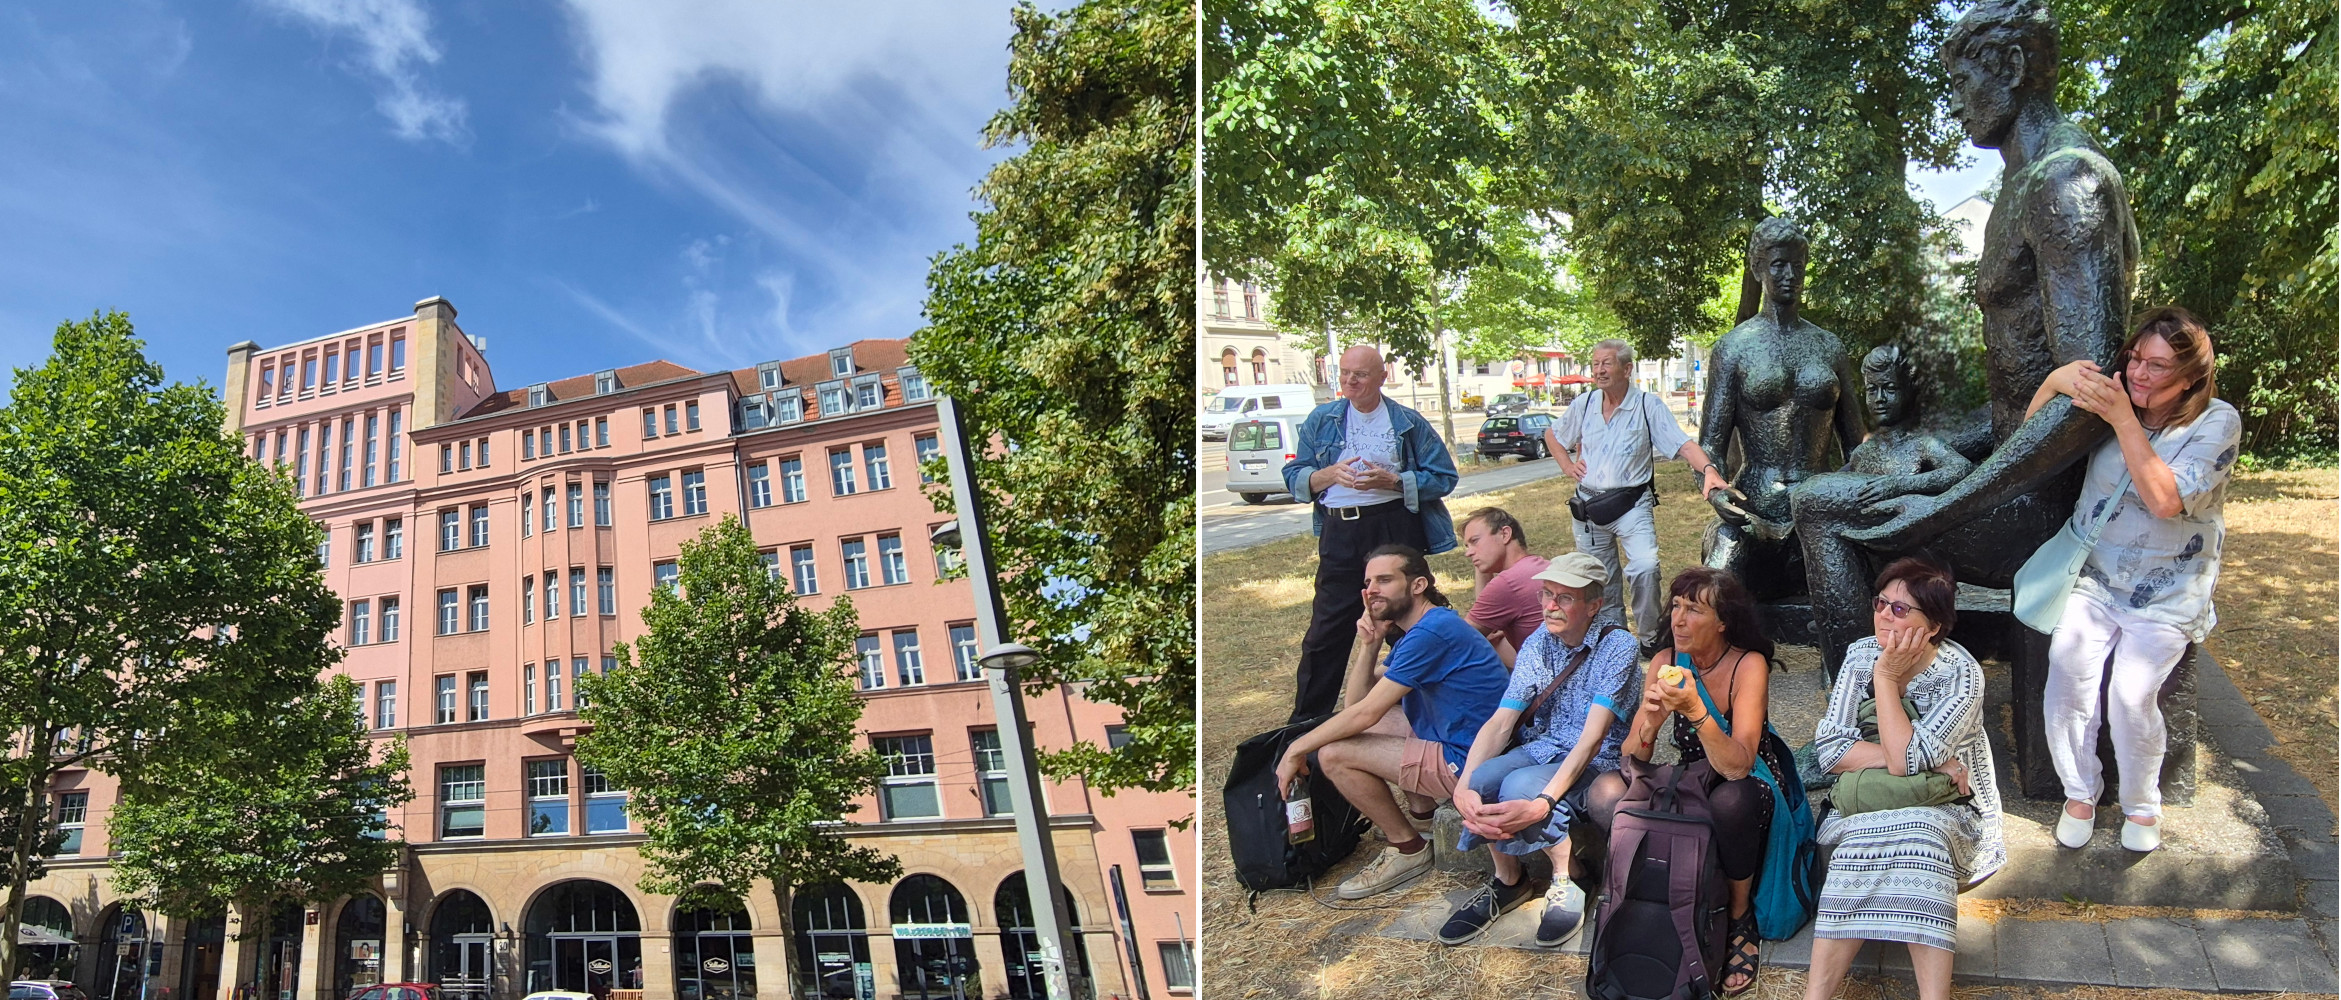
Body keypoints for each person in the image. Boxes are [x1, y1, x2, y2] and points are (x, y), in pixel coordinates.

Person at [2031, 306, 2239, 853]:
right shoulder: (2110, 401)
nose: (2142, 374)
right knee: (2068, 673)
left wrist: (2124, 420)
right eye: (2136, 359)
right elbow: (2030, 448)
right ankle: (2080, 793)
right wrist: (2055, 381)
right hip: (2095, 577)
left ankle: (2141, 803)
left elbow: (2166, 500)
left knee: (2129, 695)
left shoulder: (2215, 421)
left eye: (2160, 366)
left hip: (2170, 588)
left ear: (2192, 375)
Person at [1805, 557, 2003, 1000]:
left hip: (1950, 806)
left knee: (1923, 835)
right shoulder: (1860, 655)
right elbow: (1831, 751)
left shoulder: (1961, 674)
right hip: (1869, 800)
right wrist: (1920, 757)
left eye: (1899, 610)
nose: (1883, 615)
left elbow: (1908, 761)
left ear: (1932, 626)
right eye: (1880, 603)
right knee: (1860, 839)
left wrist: (1887, 679)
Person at [1275, 545, 1508, 899]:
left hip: (1472, 760)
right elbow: (1358, 707)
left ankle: (1408, 848)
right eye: (1368, 582)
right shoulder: (1422, 628)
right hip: (1463, 743)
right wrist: (1370, 644)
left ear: (1417, 585)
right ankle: (1424, 814)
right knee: (1360, 730)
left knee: (1334, 754)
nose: (1372, 591)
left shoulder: (1431, 634)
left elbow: (1362, 712)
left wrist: (1296, 749)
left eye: (1385, 580)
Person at [1587, 566, 1776, 996]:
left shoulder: (1749, 665)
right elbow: (1632, 756)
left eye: (1694, 610)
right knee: (1603, 793)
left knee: (1731, 802)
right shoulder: (1665, 661)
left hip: (1746, 778)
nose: (1678, 619)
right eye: (1676, 606)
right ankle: (1644, 898)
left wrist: (1694, 709)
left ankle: (1739, 915)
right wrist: (1651, 721)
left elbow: (1738, 765)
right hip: (1692, 774)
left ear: (1723, 622)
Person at [1443, 553, 1641, 946]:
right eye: (1546, 594)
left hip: (1597, 761)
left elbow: (1593, 738)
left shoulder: (1618, 646)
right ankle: (1508, 881)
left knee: (1521, 788)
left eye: (1564, 598)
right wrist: (1461, 786)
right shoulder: (1539, 641)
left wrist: (1544, 801)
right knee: (1483, 778)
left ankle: (1569, 879)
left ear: (1593, 605)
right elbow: (1502, 721)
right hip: (1545, 747)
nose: (1550, 606)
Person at [1282, 346, 1461, 723]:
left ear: (1382, 377)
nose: (1350, 381)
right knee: (1325, 632)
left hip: (1392, 526)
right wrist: (1327, 474)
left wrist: (1396, 481)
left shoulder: (1406, 422)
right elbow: (1295, 476)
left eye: (1360, 374)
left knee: (1405, 621)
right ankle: (1305, 726)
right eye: (1344, 373)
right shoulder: (1322, 419)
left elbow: (1444, 477)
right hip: (1340, 530)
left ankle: (1435, 709)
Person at [1697, 218, 1867, 600]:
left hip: (1820, 505)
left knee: (1857, 587)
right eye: (1777, 264)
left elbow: (1856, 445)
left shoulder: (1829, 347)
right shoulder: (1735, 348)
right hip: (1754, 510)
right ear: (1758, 269)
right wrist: (1715, 491)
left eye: (1796, 265)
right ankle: (1685, 662)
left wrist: (1861, 492)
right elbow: (1709, 445)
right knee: (1711, 589)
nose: (1789, 275)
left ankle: (1851, 662)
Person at [1793, 345, 1976, 671]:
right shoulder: (1864, 452)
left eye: (1890, 389)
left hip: (1913, 564)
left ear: (1908, 391)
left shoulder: (1922, 444)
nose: (1879, 398)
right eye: (1873, 390)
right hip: (1868, 566)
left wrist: (1900, 484)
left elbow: (1960, 471)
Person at [1546, 339, 1732, 652]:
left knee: (1645, 567)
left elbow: (1683, 445)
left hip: (1631, 504)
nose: (1599, 370)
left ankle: (1648, 639)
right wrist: (1567, 464)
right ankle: (1614, 640)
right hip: (1588, 507)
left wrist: (1709, 470)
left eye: (1606, 363)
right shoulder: (1585, 404)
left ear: (1627, 368)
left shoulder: (1647, 405)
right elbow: (1553, 434)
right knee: (1597, 579)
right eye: (1595, 364)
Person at [1458, 507, 1551, 666]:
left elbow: (1460, 638)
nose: (1468, 553)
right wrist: (1482, 564)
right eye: (1467, 546)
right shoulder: (1537, 566)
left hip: (1550, 676)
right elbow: (1485, 619)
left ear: (1505, 534)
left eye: (1475, 541)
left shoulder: (1508, 582)